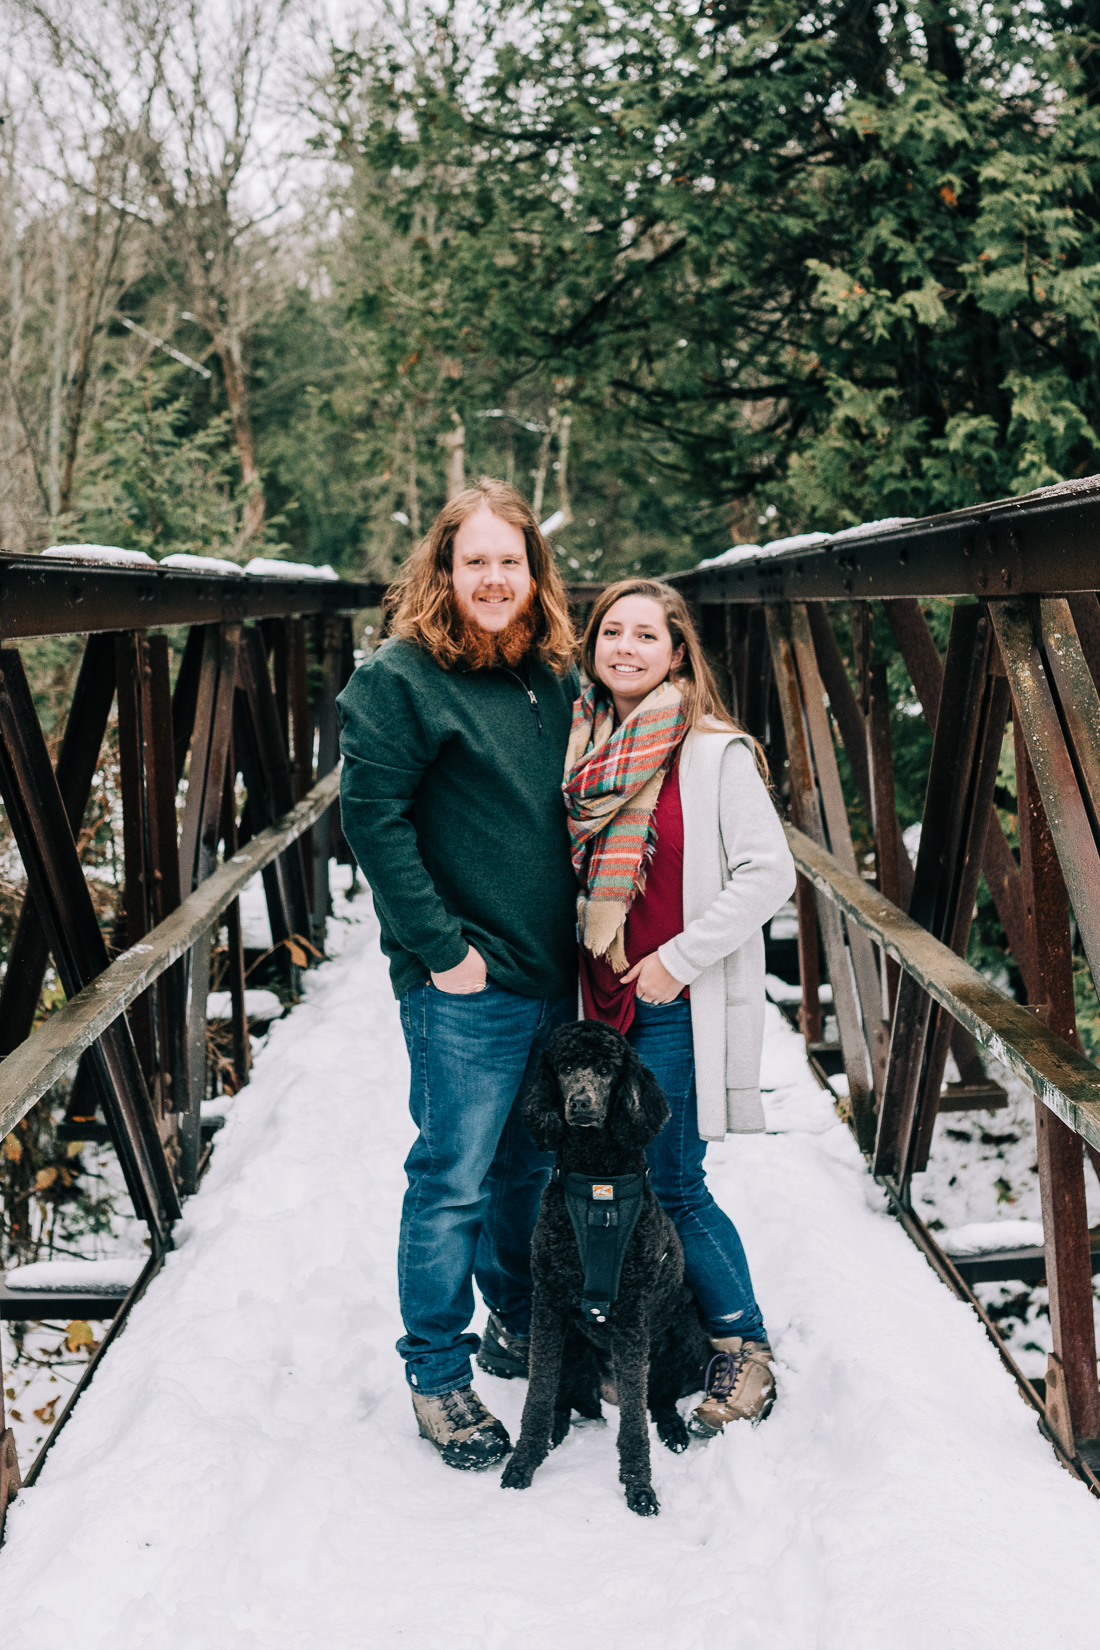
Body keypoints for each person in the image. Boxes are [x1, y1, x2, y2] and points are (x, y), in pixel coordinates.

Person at [337, 479, 579, 1471]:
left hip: (551, 972)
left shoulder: (553, 673)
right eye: (472, 561)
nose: (492, 579)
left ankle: (518, 1321)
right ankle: (437, 1373)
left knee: (527, 1167)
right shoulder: (400, 678)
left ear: (533, 575)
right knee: (450, 1182)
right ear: (443, 570)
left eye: (508, 563)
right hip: (464, 983)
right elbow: (371, 821)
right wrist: (442, 952)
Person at [564, 578, 795, 1433]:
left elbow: (770, 873)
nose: (625, 647)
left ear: (677, 652)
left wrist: (677, 959)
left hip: (672, 999)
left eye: (645, 635)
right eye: (610, 632)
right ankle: (659, 1341)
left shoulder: (713, 751)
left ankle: (746, 1349)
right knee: (614, 1182)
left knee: (672, 1182)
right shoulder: (583, 748)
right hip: (599, 1004)